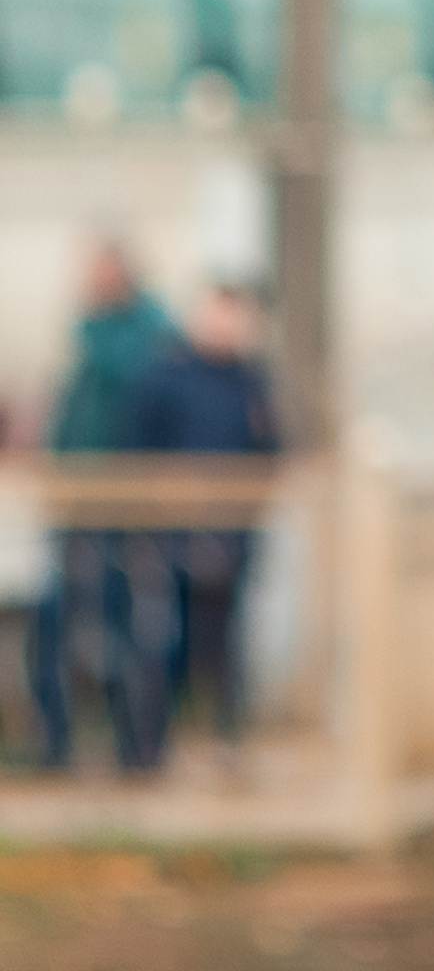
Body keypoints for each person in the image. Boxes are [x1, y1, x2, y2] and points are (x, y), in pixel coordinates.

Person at [27, 237, 174, 771]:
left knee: (127, 631)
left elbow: (141, 410)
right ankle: (56, 744)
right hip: (76, 507)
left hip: (126, 510)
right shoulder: (88, 343)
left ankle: (137, 749)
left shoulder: (148, 339)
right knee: (62, 628)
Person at [120, 284, 279, 768]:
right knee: (164, 645)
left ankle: (227, 743)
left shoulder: (252, 381)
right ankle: (150, 749)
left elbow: (272, 450)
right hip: (173, 539)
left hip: (232, 539)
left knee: (227, 650)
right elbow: (137, 448)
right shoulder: (166, 377)